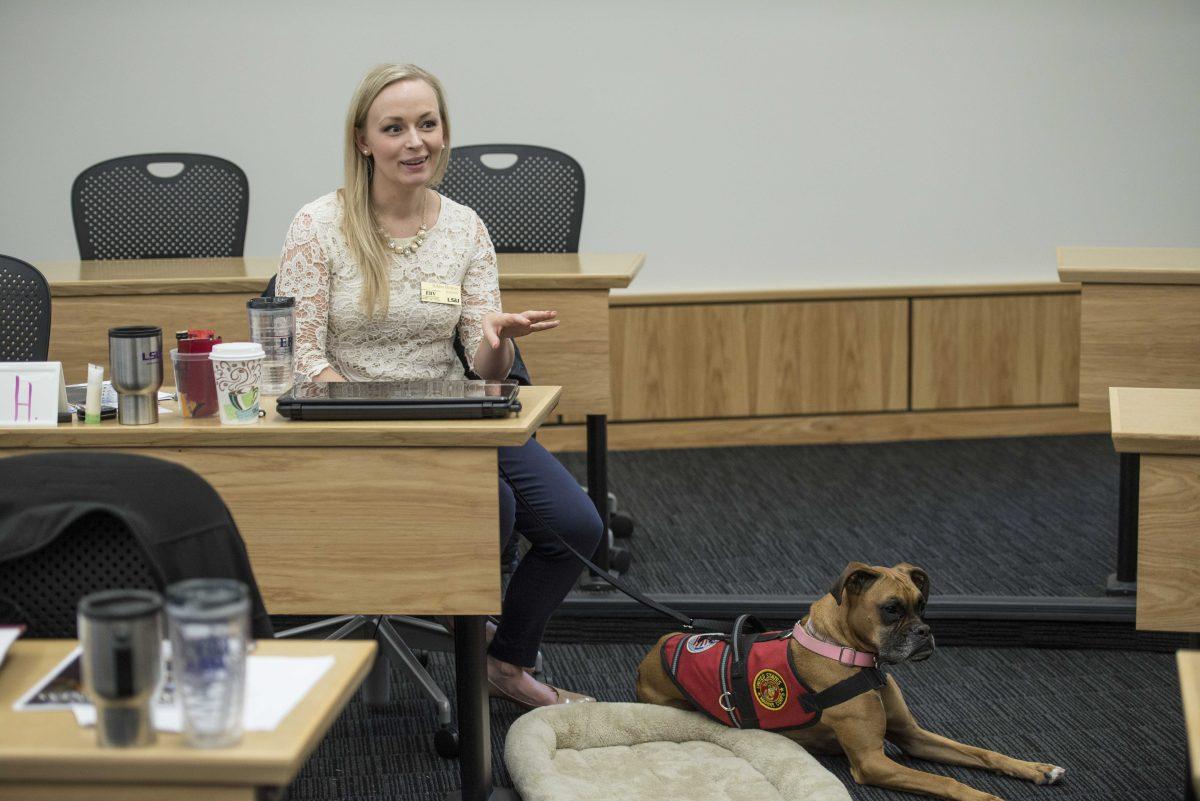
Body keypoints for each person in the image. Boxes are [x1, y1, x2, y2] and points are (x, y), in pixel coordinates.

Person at [276, 63, 602, 708]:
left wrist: (496, 337)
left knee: (577, 526)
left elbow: (487, 374)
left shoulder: (464, 226)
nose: (414, 141)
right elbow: (301, 356)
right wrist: (379, 419)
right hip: (355, 426)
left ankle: (505, 661)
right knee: (494, 513)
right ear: (363, 140)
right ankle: (462, 631)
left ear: (445, 132)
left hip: (456, 412)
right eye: (394, 128)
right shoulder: (318, 226)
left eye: (427, 124)